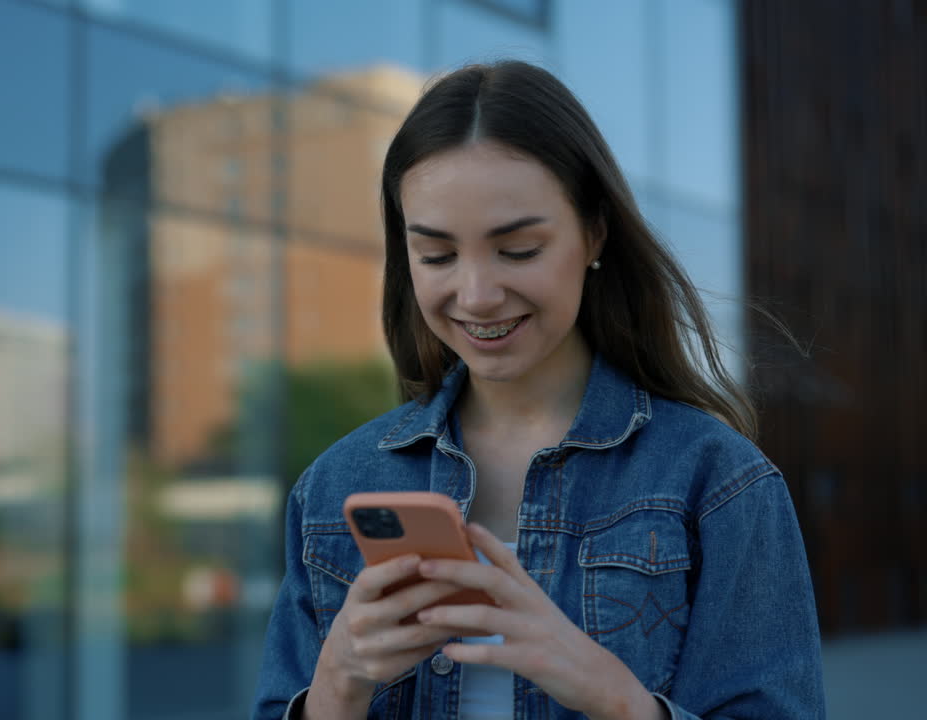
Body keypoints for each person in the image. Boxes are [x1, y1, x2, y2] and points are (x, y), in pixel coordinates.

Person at [251, 61, 824, 720]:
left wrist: (617, 699)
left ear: (594, 232)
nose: (476, 295)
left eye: (519, 249)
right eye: (437, 256)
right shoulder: (333, 488)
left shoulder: (718, 483)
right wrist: (336, 687)